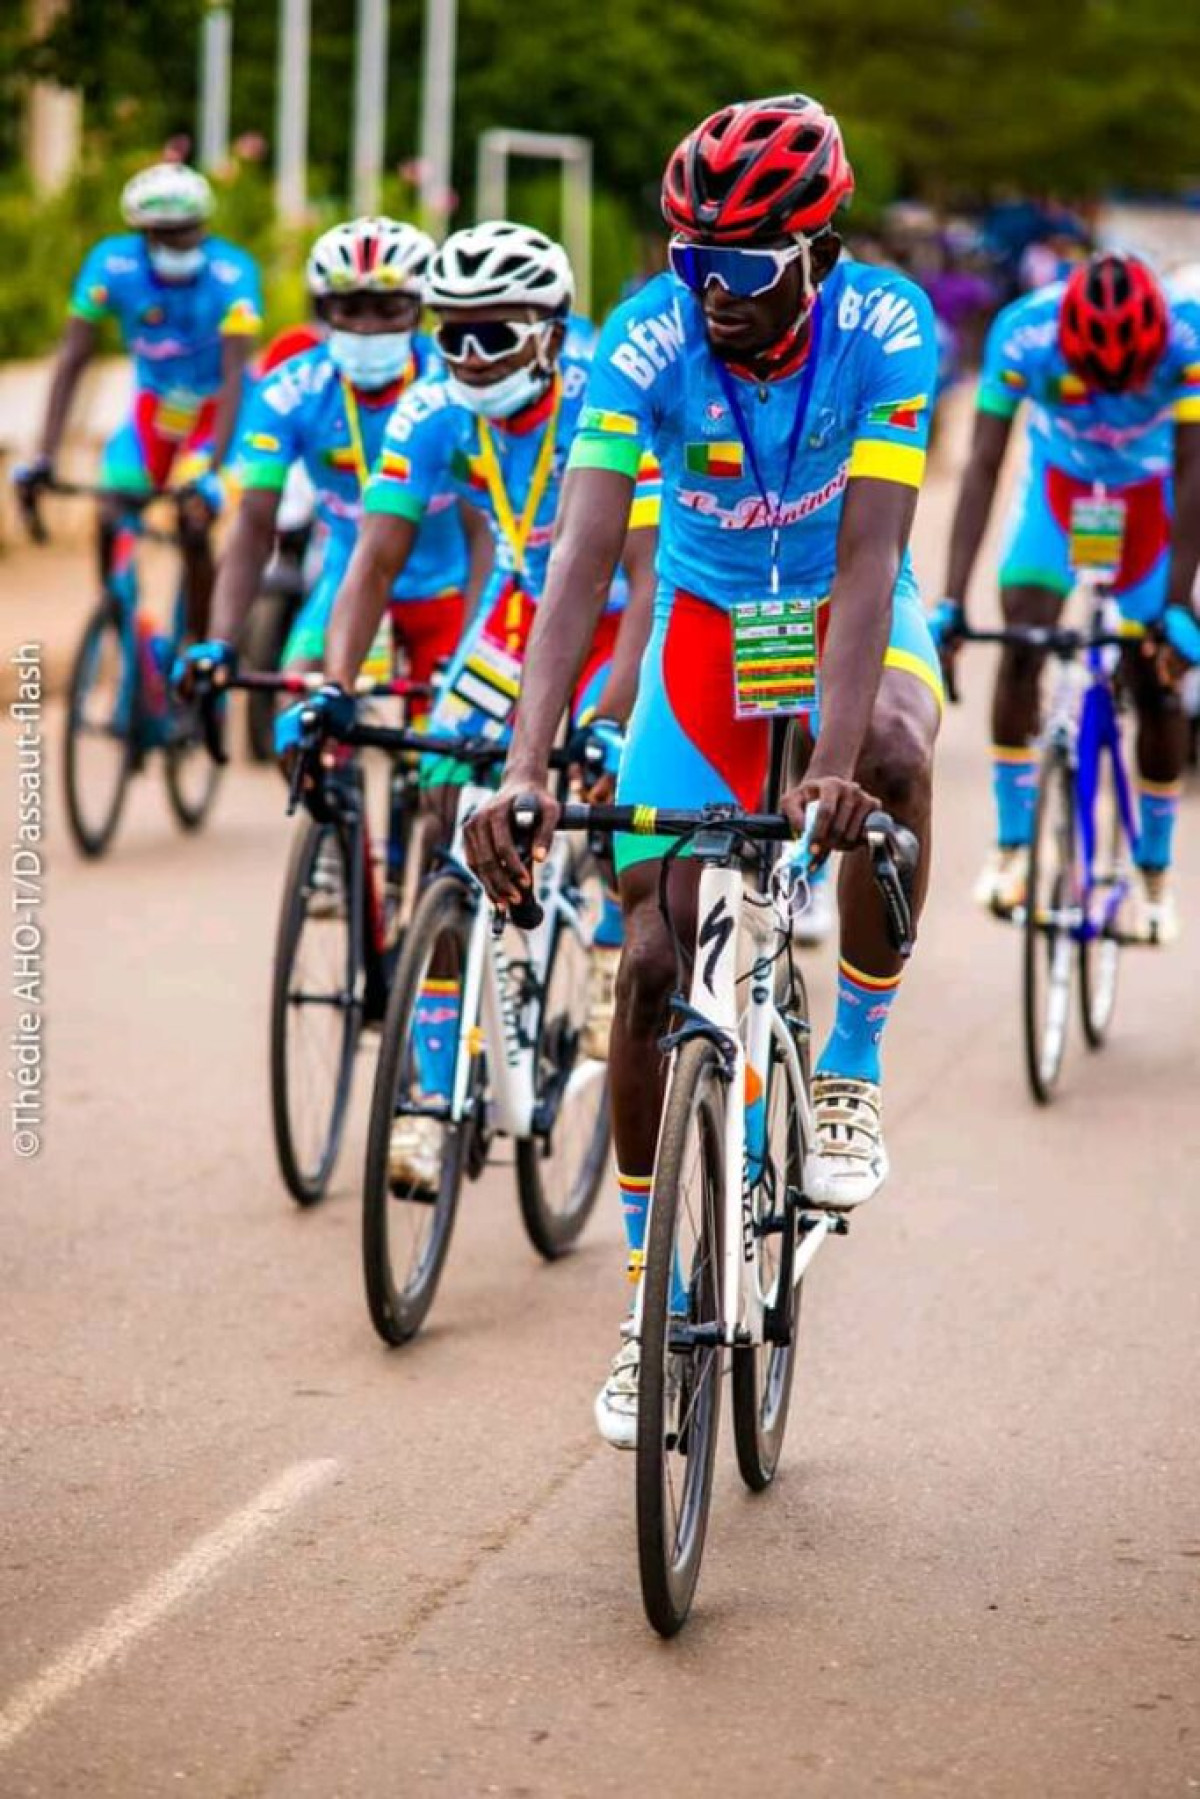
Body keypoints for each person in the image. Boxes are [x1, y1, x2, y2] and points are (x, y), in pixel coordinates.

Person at [460, 95, 943, 1446]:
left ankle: (845, 1063)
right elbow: (575, 562)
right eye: (688, 259)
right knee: (658, 959)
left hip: (847, 613)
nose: (709, 291)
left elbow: (864, 564)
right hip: (705, 623)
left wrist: (834, 767)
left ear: (819, 244)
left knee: (897, 757)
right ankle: (642, 1308)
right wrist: (522, 763)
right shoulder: (646, 338)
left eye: (738, 266)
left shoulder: (889, 330)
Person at [276, 220, 660, 1187]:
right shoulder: (429, 411)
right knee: (450, 806)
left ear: (553, 331)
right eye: (452, 333)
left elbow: (648, 580)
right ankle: (425, 1095)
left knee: (615, 774)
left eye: (496, 332)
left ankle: (613, 940)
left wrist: (607, 721)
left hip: (625, 611)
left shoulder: (603, 402)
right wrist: (334, 681)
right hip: (522, 611)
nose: (470, 354)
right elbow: (373, 559)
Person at [934, 252, 1200, 940]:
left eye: (1128, 378)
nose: (1111, 390)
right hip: (1059, 494)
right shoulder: (1024, 332)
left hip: (1148, 499)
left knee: (1157, 677)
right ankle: (1013, 845)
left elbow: (1196, 466)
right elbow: (985, 463)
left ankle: (1153, 874)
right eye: (1093, 377)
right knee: (1022, 642)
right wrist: (953, 602)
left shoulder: (1188, 334)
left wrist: (1176, 603)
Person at [176, 216, 475, 708]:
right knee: (297, 717)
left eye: (388, 308)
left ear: (422, 311)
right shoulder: (289, 390)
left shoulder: (458, 387)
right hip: (347, 581)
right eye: (350, 308)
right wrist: (221, 642)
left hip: (450, 590)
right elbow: (253, 525)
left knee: (442, 764)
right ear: (323, 310)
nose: (367, 326)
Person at [17, 162, 261, 637]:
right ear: (143, 233)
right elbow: (72, 358)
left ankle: (198, 650)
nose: (176, 244)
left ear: (203, 227)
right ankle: (115, 622)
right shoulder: (112, 264)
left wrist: (212, 473)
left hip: (216, 414)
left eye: (186, 232)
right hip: (154, 411)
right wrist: (44, 453)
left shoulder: (233, 273)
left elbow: (236, 374)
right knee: (110, 508)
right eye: (162, 235)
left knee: (193, 524)